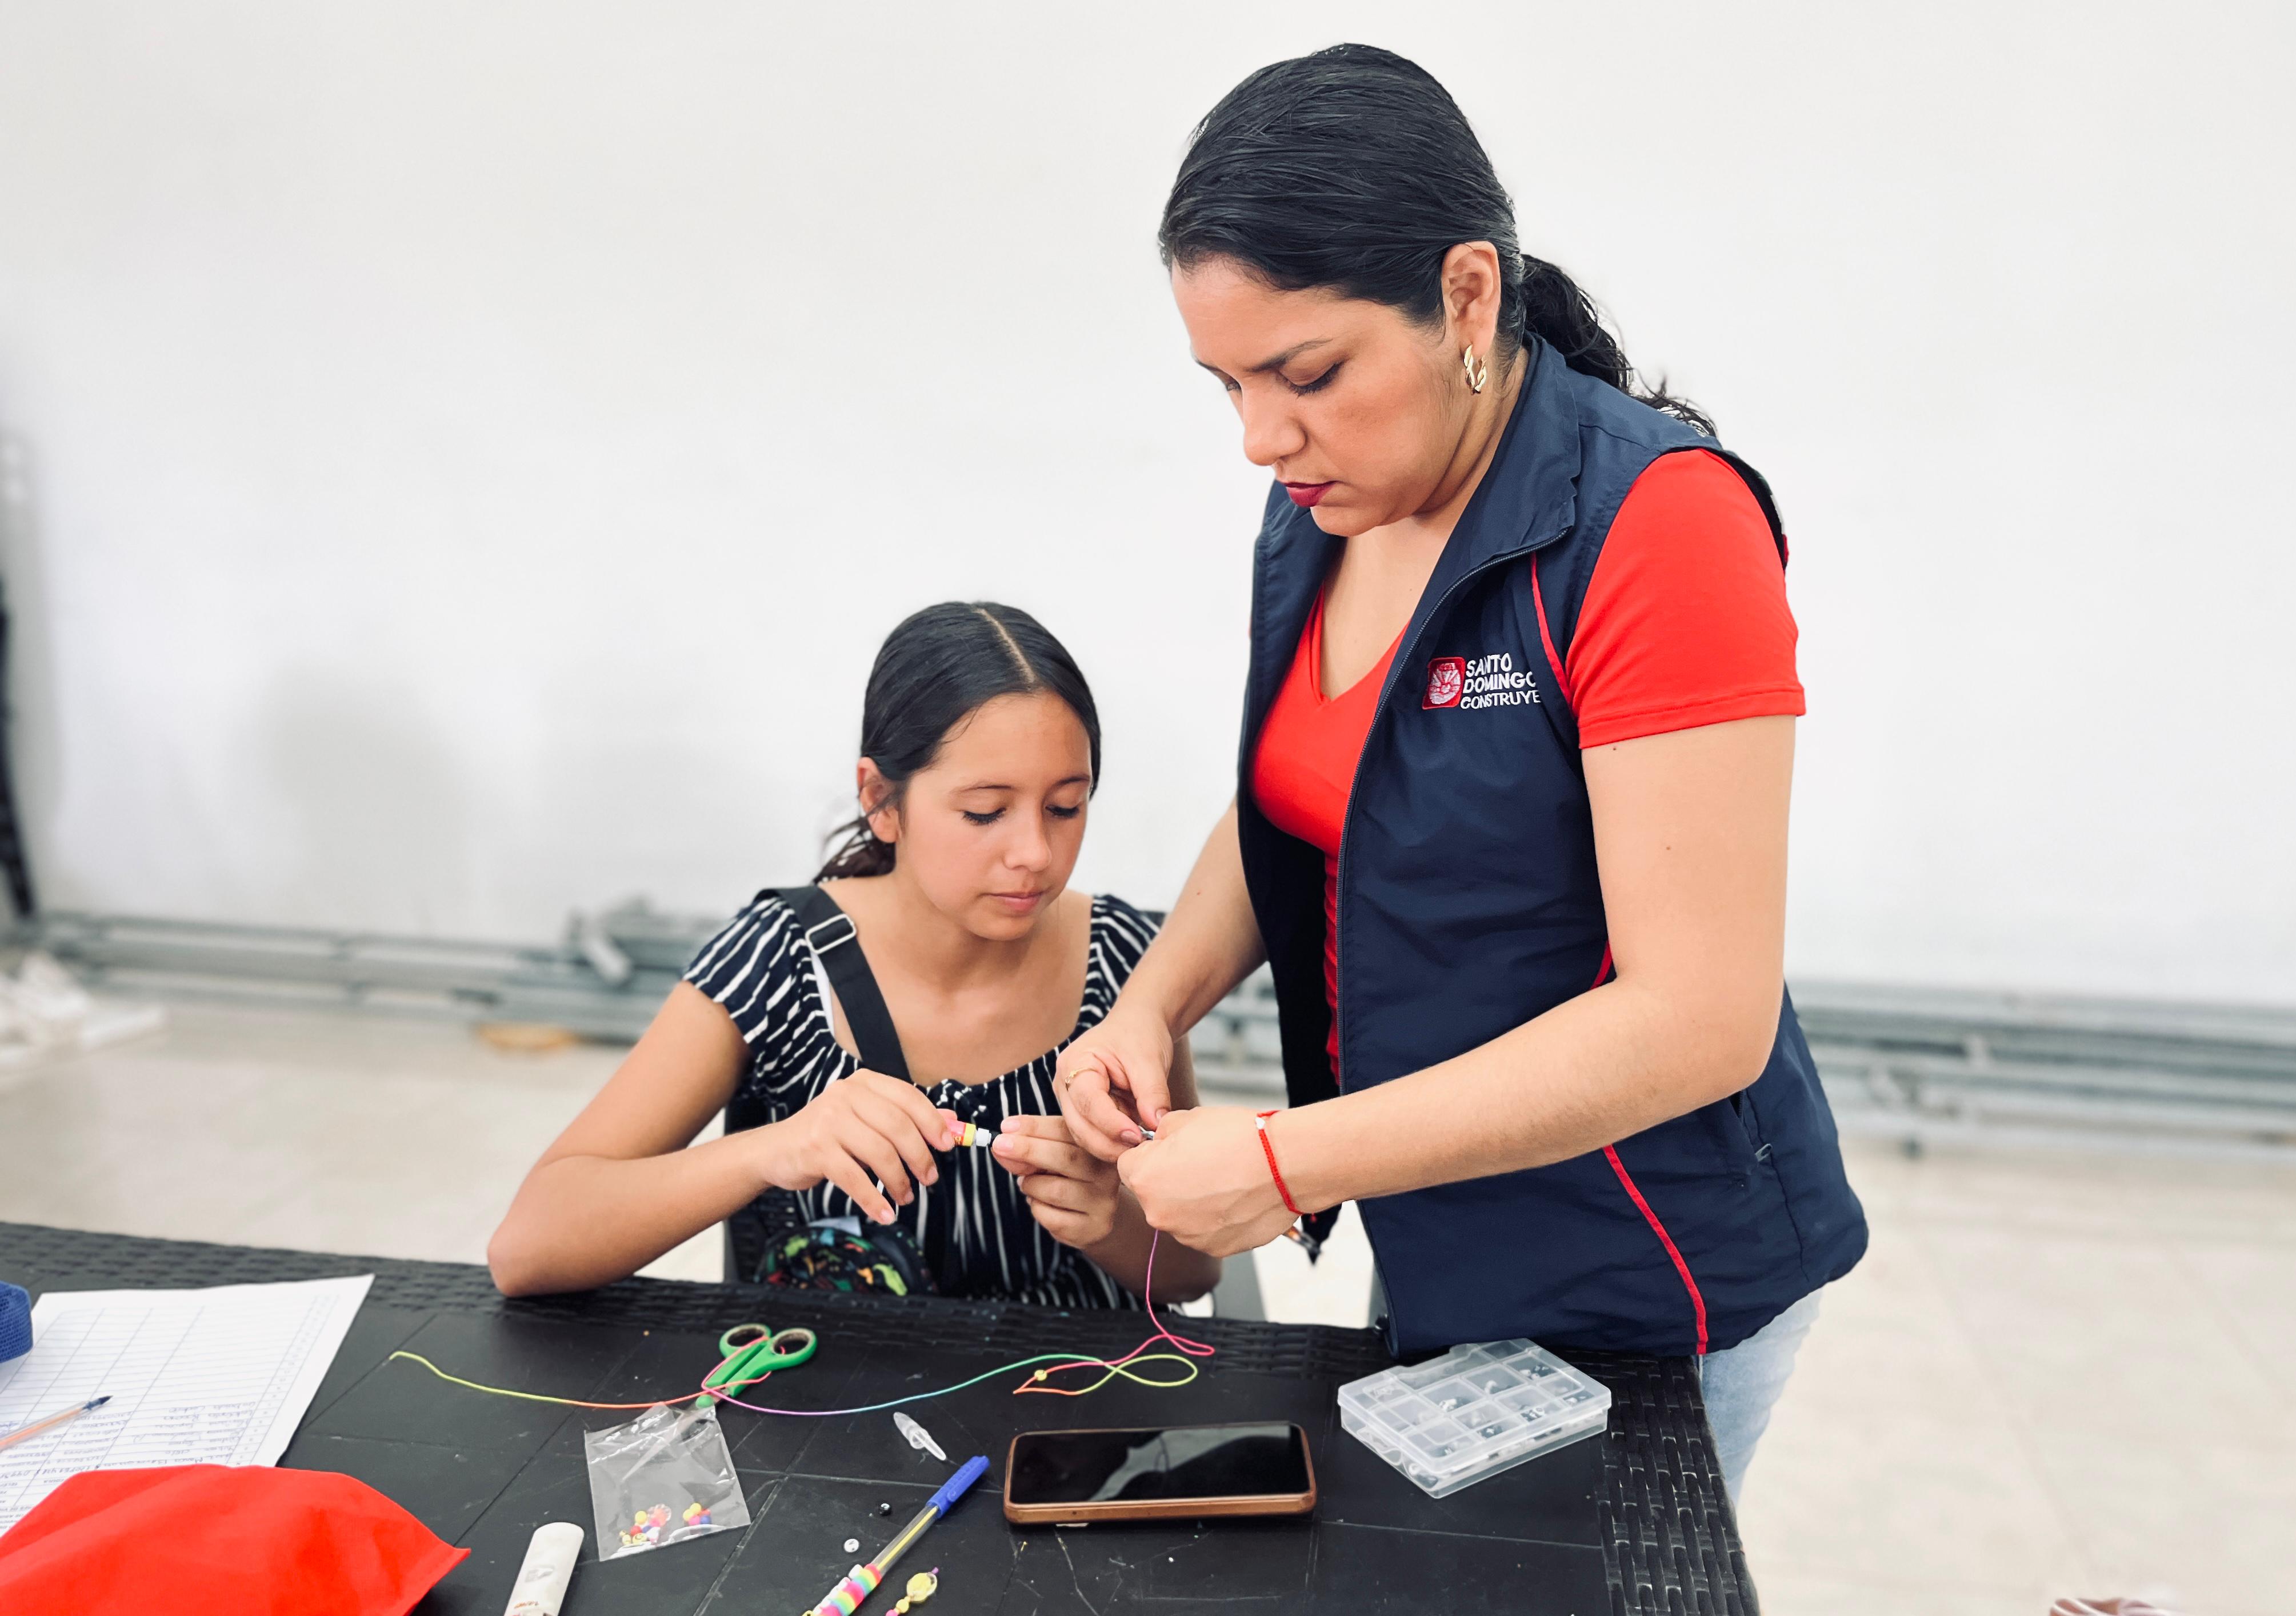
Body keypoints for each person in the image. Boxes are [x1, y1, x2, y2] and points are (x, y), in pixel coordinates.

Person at [1055, 45, 1866, 1500]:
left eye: (1308, 374)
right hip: (1440, 1228)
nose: (1261, 437)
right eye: (1228, 384)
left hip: (1650, 1273)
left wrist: (1287, 1161)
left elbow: (1700, 1018)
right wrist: (1150, 1003)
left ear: (1469, 296)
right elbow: (1302, 794)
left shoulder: (1659, 525)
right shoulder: (1328, 502)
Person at [491, 601, 1218, 1308]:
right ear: (880, 800)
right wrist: (772, 1150)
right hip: (828, 1388)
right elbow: (527, 1245)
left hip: (1080, 1386)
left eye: (1065, 806)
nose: (1035, 852)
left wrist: (1114, 1224)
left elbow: (1194, 1273)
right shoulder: (778, 960)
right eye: (984, 811)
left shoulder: (1130, 966)